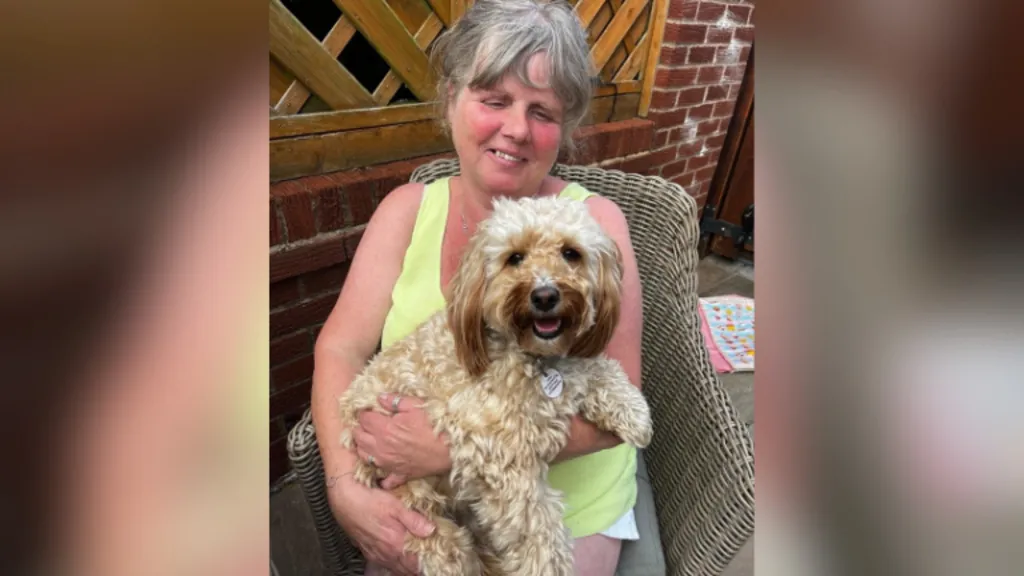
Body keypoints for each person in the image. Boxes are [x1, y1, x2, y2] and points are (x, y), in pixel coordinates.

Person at [310, 1, 645, 574]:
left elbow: (620, 414)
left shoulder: (594, 224)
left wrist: (449, 448)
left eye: (542, 112)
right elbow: (339, 349)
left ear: (563, 129)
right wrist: (344, 486)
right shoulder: (406, 211)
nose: (516, 129)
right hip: (427, 493)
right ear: (450, 99)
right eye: (494, 100)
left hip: (565, 506)